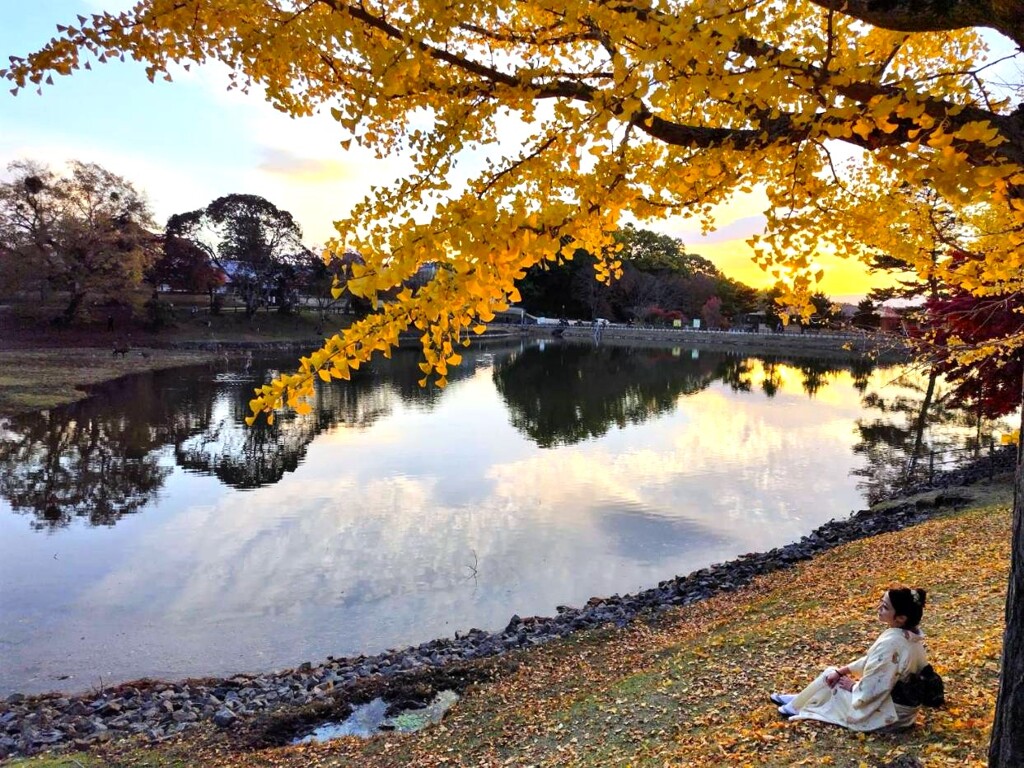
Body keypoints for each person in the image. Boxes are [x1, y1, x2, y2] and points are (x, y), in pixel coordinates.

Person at [771, 587, 929, 732]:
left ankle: (797, 705)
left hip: (888, 715)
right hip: (903, 711)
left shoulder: (892, 643)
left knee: (831, 678)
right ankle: (801, 699)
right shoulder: (911, 637)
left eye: (885, 607)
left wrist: (853, 686)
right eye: (881, 603)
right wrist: (843, 671)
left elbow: (876, 686)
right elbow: (872, 661)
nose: (879, 608)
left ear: (901, 618)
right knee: (836, 673)